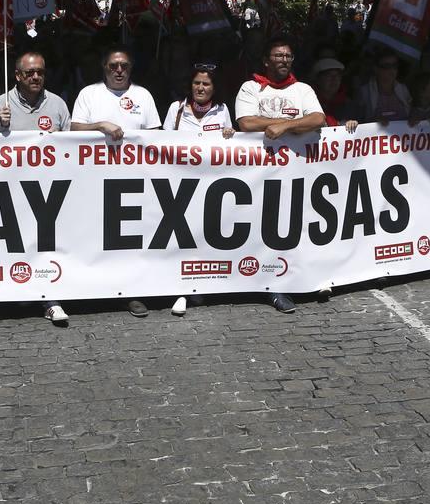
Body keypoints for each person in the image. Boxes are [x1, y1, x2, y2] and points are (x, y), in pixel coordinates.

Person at [235, 35, 326, 314]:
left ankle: (292, 280)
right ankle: (264, 281)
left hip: (298, 174)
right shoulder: (251, 88)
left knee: (294, 229)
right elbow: (246, 122)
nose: (284, 60)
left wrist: (285, 128)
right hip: (258, 176)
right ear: (266, 60)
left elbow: (317, 119)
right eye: (278, 56)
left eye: (288, 56)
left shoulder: (303, 89)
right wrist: (295, 124)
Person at [71, 47, 161, 318]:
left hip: (135, 182)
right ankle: (96, 291)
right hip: (94, 181)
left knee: (131, 239)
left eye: (124, 66)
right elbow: (74, 130)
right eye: (113, 66)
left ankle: (131, 292)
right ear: (104, 68)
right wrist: (100, 125)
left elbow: (156, 137)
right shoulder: (89, 94)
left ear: (131, 68)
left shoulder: (143, 95)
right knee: (96, 236)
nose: (119, 70)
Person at [0, 51, 73, 325]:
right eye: (29, 73)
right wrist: (0, 127)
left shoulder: (58, 104)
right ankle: (12, 293)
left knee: (47, 247)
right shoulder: (1, 103)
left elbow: (73, 148)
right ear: (17, 75)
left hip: (48, 192)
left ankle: (50, 299)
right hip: (12, 190)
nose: (36, 77)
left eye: (40, 72)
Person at [162, 65, 236, 317]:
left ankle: (203, 285)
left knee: (206, 236)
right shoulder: (176, 109)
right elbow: (162, 145)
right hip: (181, 184)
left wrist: (231, 134)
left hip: (212, 185)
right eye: (196, 83)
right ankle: (180, 289)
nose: (200, 88)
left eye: (206, 84)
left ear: (214, 88)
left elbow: (233, 143)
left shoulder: (223, 110)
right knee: (181, 238)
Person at [354, 52, 412, 123]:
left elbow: (411, 114)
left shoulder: (403, 89)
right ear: (376, 69)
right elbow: (357, 120)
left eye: (395, 65)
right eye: (387, 66)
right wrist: (373, 121)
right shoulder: (364, 91)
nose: (392, 70)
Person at [309, 58, 360, 132]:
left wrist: (354, 125)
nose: (334, 79)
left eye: (338, 75)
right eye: (328, 75)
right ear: (318, 79)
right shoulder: (308, 103)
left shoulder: (350, 105)